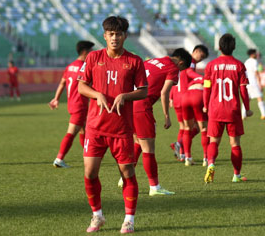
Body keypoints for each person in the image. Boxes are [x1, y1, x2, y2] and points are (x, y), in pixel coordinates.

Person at [77, 16, 148, 233]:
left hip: (121, 128)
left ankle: (129, 219)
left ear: (125, 36)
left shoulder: (135, 61)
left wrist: (126, 96)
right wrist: (96, 94)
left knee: (127, 172)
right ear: (104, 36)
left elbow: (144, 90)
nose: (114, 37)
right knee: (89, 173)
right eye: (110, 34)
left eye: (118, 34)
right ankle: (97, 215)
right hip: (95, 127)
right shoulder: (93, 58)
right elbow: (81, 86)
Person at [117, 48, 192, 195]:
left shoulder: (153, 60)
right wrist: (166, 116)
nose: (180, 72)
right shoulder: (172, 68)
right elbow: (164, 92)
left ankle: (124, 178)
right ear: (181, 62)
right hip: (142, 106)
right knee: (148, 149)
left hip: (129, 104)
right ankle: (154, 187)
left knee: (138, 142)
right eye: (182, 69)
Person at [202, 33, 253, 183]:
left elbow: (206, 88)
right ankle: (236, 175)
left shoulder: (211, 65)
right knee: (235, 144)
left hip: (215, 109)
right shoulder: (239, 65)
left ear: (219, 47)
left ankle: (210, 163)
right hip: (233, 110)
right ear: (234, 47)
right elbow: (243, 89)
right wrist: (247, 108)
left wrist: (205, 105)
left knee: (213, 142)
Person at [48, 40, 95, 168]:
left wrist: (56, 98)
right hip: (80, 104)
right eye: (91, 52)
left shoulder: (70, 66)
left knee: (83, 130)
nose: (92, 54)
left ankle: (89, 156)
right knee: (71, 132)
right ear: (85, 52)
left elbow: (63, 82)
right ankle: (59, 158)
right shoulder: (83, 67)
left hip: (72, 104)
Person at [180, 45, 209, 166]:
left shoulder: (186, 62)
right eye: (201, 56)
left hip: (183, 98)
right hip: (195, 95)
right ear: (196, 51)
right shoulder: (190, 62)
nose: (200, 59)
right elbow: (190, 73)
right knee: (203, 128)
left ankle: (186, 157)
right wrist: (201, 79)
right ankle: (206, 159)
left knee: (186, 128)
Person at [243, 49, 265, 120]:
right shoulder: (254, 61)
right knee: (260, 97)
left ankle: (243, 115)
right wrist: (260, 83)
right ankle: (264, 114)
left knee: (247, 99)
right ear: (252, 54)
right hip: (254, 82)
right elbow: (256, 72)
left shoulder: (246, 61)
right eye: (255, 53)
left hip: (247, 83)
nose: (256, 55)